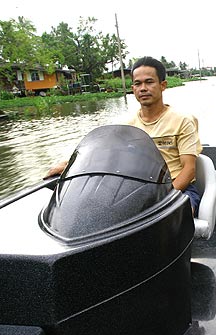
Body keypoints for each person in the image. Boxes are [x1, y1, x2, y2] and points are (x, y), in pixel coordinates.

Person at [46, 56, 203, 216]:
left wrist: (165, 197)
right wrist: (69, 165)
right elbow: (104, 154)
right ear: (133, 88)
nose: (143, 88)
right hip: (137, 189)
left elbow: (189, 169)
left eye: (149, 82)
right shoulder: (126, 125)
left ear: (163, 85)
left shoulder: (182, 121)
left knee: (176, 217)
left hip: (176, 188)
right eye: (137, 83)